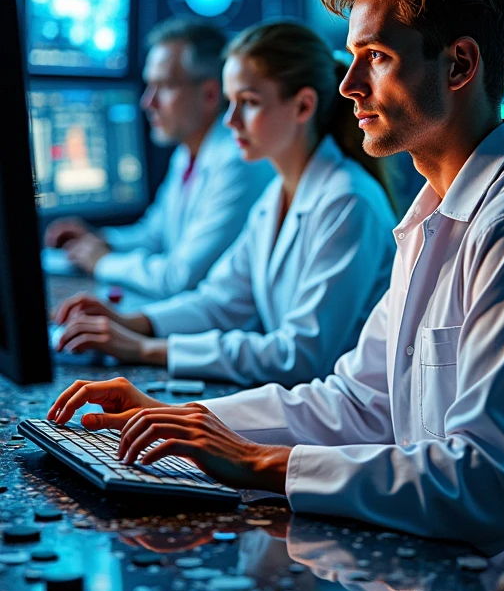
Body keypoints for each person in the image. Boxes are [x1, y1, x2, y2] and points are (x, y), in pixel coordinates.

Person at [49, 0, 504, 570]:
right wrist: (181, 419)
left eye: (377, 57)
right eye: (352, 56)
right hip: (440, 578)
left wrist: (259, 462)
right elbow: (357, 403)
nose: (350, 85)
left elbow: (486, 485)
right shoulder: (432, 218)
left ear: (459, 65)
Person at [51, 22, 397, 386]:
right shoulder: (278, 195)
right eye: (232, 103)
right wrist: (129, 322)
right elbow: (220, 301)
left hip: (346, 424)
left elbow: (299, 356)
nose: (230, 121)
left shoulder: (348, 201)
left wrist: (144, 349)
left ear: (303, 106)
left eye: (248, 103)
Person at [45, 18, 272, 299]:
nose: (147, 102)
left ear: (210, 94)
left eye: (163, 86)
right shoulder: (188, 154)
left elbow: (180, 277)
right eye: (149, 85)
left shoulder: (237, 162)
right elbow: (154, 235)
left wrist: (102, 261)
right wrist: (99, 240)